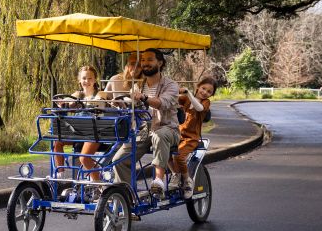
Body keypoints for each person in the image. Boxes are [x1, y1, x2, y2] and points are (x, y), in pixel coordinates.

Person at [111, 48, 180, 198]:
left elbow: (162, 103)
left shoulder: (171, 85)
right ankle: (127, 198)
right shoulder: (139, 85)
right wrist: (121, 104)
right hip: (143, 130)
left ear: (160, 63)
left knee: (159, 135)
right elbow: (134, 107)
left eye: (150, 60)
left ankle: (158, 182)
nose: (145, 63)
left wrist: (143, 97)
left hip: (167, 128)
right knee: (119, 160)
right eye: (143, 60)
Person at [169, 77, 218, 199]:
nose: (205, 92)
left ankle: (187, 181)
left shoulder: (205, 102)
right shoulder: (185, 99)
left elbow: (199, 108)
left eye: (209, 92)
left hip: (191, 138)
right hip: (178, 134)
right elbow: (172, 100)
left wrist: (189, 94)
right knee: (163, 151)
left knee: (179, 156)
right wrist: (175, 92)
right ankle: (176, 174)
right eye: (203, 88)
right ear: (198, 86)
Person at [52, 65, 101, 179]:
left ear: (94, 80)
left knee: (84, 158)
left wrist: (93, 103)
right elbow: (69, 100)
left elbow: (101, 100)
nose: (86, 81)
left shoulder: (99, 94)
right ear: (79, 80)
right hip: (78, 130)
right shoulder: (78, 94)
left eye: (89, 78)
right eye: (84, 78)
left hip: (93, 132)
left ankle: (99, 184)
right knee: (57, 142)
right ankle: (60, 173)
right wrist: (64, 103)